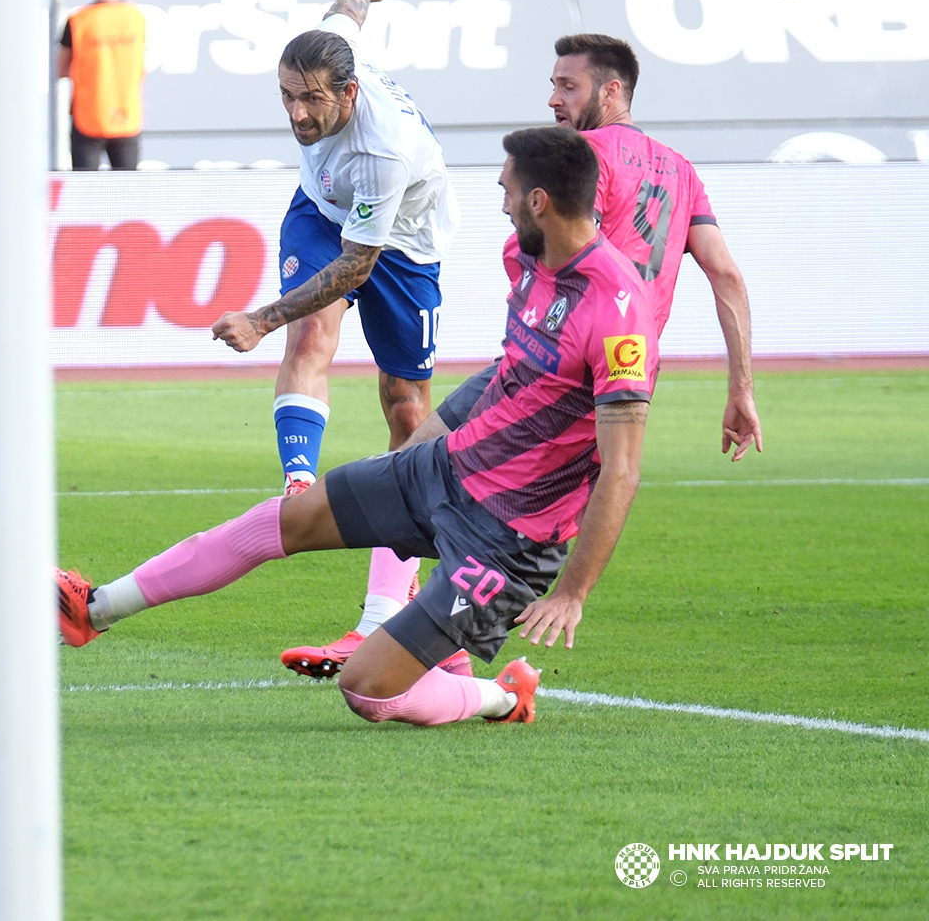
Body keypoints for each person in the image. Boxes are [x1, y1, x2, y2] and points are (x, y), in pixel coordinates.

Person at [60, 126, 659, 731]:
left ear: (539, 202)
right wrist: (428, 439)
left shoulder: (618, 314)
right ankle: (96, 609)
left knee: (367, 689)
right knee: (285, 520)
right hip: (447, 467)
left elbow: (622, 467)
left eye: (507, 191)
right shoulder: (527, 257)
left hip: (509, 539)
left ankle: (503, 696)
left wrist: (572, 591)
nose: (500, 203)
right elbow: (508, 368)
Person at [282, 33, 762, 679]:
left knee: (465, 497)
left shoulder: (577, 158)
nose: (554, 99)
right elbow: (725, 274)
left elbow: (544, 250)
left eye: (568, 86)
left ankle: (437, 649)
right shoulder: (681, 170)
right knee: (418, 456)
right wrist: (742, 390)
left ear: (611, 90)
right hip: (606, 368)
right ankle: (385, 622)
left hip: (562, 371)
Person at [206, 0, 459, 678]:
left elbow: (355, 269)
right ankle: (298, 486)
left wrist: (257, 317)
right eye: (287, 97)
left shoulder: (383, 148)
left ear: (349, 92)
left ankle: (381, 615)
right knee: (314, 331)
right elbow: (345, 12)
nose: (297, 115)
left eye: (311, 100)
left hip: (401, 247)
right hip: (321, 213)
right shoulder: (327, 49)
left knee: (407, 414)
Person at [58, 0, 146, 172]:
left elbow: (61, 68)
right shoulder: (136, 17)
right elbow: (141, 67)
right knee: (127, 194)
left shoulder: (78, 21)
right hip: (127, 115)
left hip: (89, 116)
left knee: (86, 195)